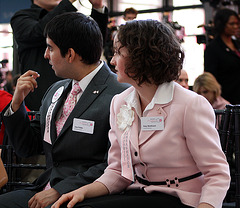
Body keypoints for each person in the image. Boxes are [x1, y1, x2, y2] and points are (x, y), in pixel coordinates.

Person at [52, 20, 230, 208]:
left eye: (118, 52)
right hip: (137, 193)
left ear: (141, 56)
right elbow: (117, 171)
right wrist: (82, 191)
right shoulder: (119, 102)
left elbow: (217, 173)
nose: (112, 61)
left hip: (181, 198)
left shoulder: (190, 104)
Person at [0, 12, 129, 208]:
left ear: (70, 54)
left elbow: (115, 164)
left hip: (88, 195)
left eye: (50, 48)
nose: (45, 55)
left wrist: (62, 189)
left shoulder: (120, 95)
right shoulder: (56, 90)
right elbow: (26, 147)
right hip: (44, 187)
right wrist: (16, 104)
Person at [11, 0, 108, 111]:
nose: (47, 55)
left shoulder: (71, 15)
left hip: (76, 96)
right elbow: (38, 32)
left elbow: (92, 46)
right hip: (38, 100)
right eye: (49, 47)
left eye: (51, 48)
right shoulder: (21, 17)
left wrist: (97, 7)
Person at [204, 8, 240, 104]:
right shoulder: (213, 48)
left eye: (237, 23)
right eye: (232, 24)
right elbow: (210, 78)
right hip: (226, 99)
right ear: (222, 25)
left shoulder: (237, 44)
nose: (236, 26)